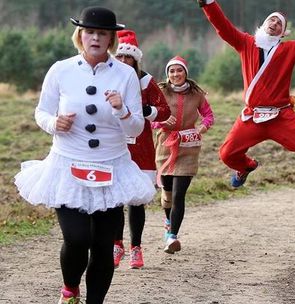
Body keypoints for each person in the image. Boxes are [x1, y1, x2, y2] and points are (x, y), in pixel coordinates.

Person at [13, 7, 155, 304]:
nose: (95, 38)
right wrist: (55, 124)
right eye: (90, 32)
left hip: (111, 167)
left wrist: (122, 110)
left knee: (103, 245)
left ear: (111, 39)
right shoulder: (61, 69)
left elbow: (137, 126)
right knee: (77, 238)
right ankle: (70, 289)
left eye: (102, 33)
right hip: (68, 164)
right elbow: (41, 112)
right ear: (80, 35)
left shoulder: (126, 74)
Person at [197, 0, 295, 188]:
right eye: (272, 20)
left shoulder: (289, 49)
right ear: (264, 24)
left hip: (280, 116)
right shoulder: (245, 43)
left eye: (279, 24)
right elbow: (223, 26)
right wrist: (208, 4)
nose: (275, 24)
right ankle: (246, 167)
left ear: (283, 33)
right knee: (227, 154)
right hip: (252, 116)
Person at [112, 29, 171, 269]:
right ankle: (117, 245)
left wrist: (147, 111)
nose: (125, 62)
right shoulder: (109, 77)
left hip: (140, 146)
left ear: (136, 60)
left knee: (136, 200)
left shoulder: (146, 81)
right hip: (113, 142)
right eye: (121, 57)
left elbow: (165, 111)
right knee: (115, 199)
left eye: (129, 58)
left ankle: (136, 247)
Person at [154, 55, 214, 254]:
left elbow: (208, 115)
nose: (175, 74)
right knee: (168, 193)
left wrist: (200, 130)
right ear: (167, 74)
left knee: (179, 195)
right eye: (171, 71)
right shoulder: (161, 91)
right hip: (164, 146)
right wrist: (162, 123)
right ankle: (168, 220)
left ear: (185, 73)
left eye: (179, 70)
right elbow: (150, 117)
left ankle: (172, 237)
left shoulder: (196, 93)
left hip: (188, 147)